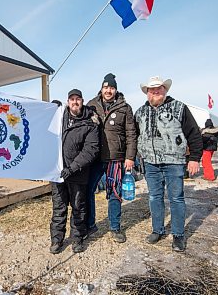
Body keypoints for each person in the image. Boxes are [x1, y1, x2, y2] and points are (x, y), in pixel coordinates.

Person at [135, 76, 202, 252]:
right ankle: (158, 230)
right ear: (147, 92)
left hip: (174, 162)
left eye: (159, 88)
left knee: (176, 199)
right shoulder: (140, 112)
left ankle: (178, 235)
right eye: (152, 89)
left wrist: (194, 158)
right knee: (154, 198)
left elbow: (194, 133)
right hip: (150, 163)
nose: (155, 91)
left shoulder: (179, 108)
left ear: (165, 90)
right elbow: (134, 135)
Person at [85, 73, 137, 243]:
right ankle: (90, 225)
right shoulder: (91, 105)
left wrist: (130, 157)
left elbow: (131, 134)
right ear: (101, 88)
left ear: (115, 90)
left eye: (111, 88)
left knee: (115, 193)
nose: (108, 91)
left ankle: (115, 227)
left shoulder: (124, 107)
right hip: (95, 157)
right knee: (88, 191)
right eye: (106, 87)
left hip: (116, 158)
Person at [50, 89, 100, 254]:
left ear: (82, 101)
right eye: (72, 99)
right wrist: (51, 108)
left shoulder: (90, 123)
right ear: (68, 102)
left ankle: (77, 238)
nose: (75, 102)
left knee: (78, 206)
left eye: (78, 99)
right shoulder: (60, 117)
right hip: (58, 173)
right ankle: (57, 240)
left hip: (78, 173)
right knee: (59, 207)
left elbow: (90, 150)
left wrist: (72, 168)